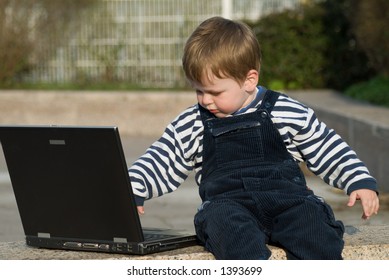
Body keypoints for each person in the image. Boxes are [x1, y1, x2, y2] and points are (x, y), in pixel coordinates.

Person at [128, 16, 379, 260]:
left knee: (315, 231)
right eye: (198, 90)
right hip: (228, 206)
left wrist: (358, 180)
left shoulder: (284, 110)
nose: (205, 100)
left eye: (214, 92)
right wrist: (133, 188)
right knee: (230, 233)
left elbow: (325, 145)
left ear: (249, 80)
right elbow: (163, 156)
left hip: (289, 202)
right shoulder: (193, 121)